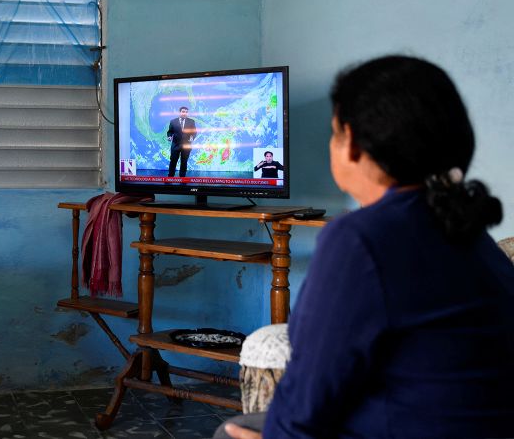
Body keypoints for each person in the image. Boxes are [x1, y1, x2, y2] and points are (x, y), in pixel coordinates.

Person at [216, 55, 514, 438]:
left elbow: (306, 400)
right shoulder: (467, 230)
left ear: (351, 142)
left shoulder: (359, 238)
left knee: (231, 431)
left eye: (333, 131)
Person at [166, 106, 197, 177]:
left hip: (186, 145)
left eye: (186, 112)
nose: (185, 113)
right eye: (183, 112)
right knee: (173, 161)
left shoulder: (191, 121)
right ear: (180, 112)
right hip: (175, 145)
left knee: (184, 162)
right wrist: (169, 136)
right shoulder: (173, 121)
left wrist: (192, 137)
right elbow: (170, 132)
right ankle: (170, 176)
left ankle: (182, 178)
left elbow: (194, 132)